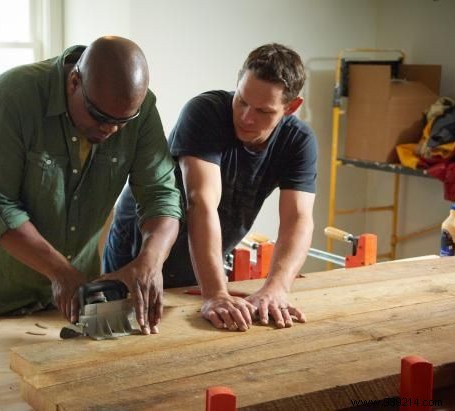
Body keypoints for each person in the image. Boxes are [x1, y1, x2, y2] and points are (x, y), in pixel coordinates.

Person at [0, 36, 182, 335]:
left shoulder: (141, 109)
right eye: (99, 116)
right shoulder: (9, 98)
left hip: (71, 294)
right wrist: (59, 271)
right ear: (74, 82)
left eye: (122, 122)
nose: (110, 129)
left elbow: (161, 195)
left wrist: (152, 259)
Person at [103, 43, 317, 332]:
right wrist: (216, 292)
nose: (246, 117)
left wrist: (276, 288)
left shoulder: (298, 141)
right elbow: (201, 202)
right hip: (145, 248)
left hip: (203, 257)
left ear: (291, 108)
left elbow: (298, 218)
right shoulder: (205, 112)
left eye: (263, 111)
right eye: (241, 101)